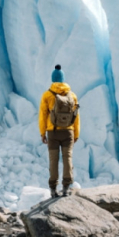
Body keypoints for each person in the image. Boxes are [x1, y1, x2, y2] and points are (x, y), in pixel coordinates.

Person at [38, 64, 80, 198]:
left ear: (53, 79)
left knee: (53, 160)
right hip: (68, 131)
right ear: (63, 79)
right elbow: (76, 116)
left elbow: (42, 115)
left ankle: (53, 189)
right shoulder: (72, 95)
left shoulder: (47, 95)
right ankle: (66, 187)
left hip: (53, 132)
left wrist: (42, 133)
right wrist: (76, 134)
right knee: (68, 158)